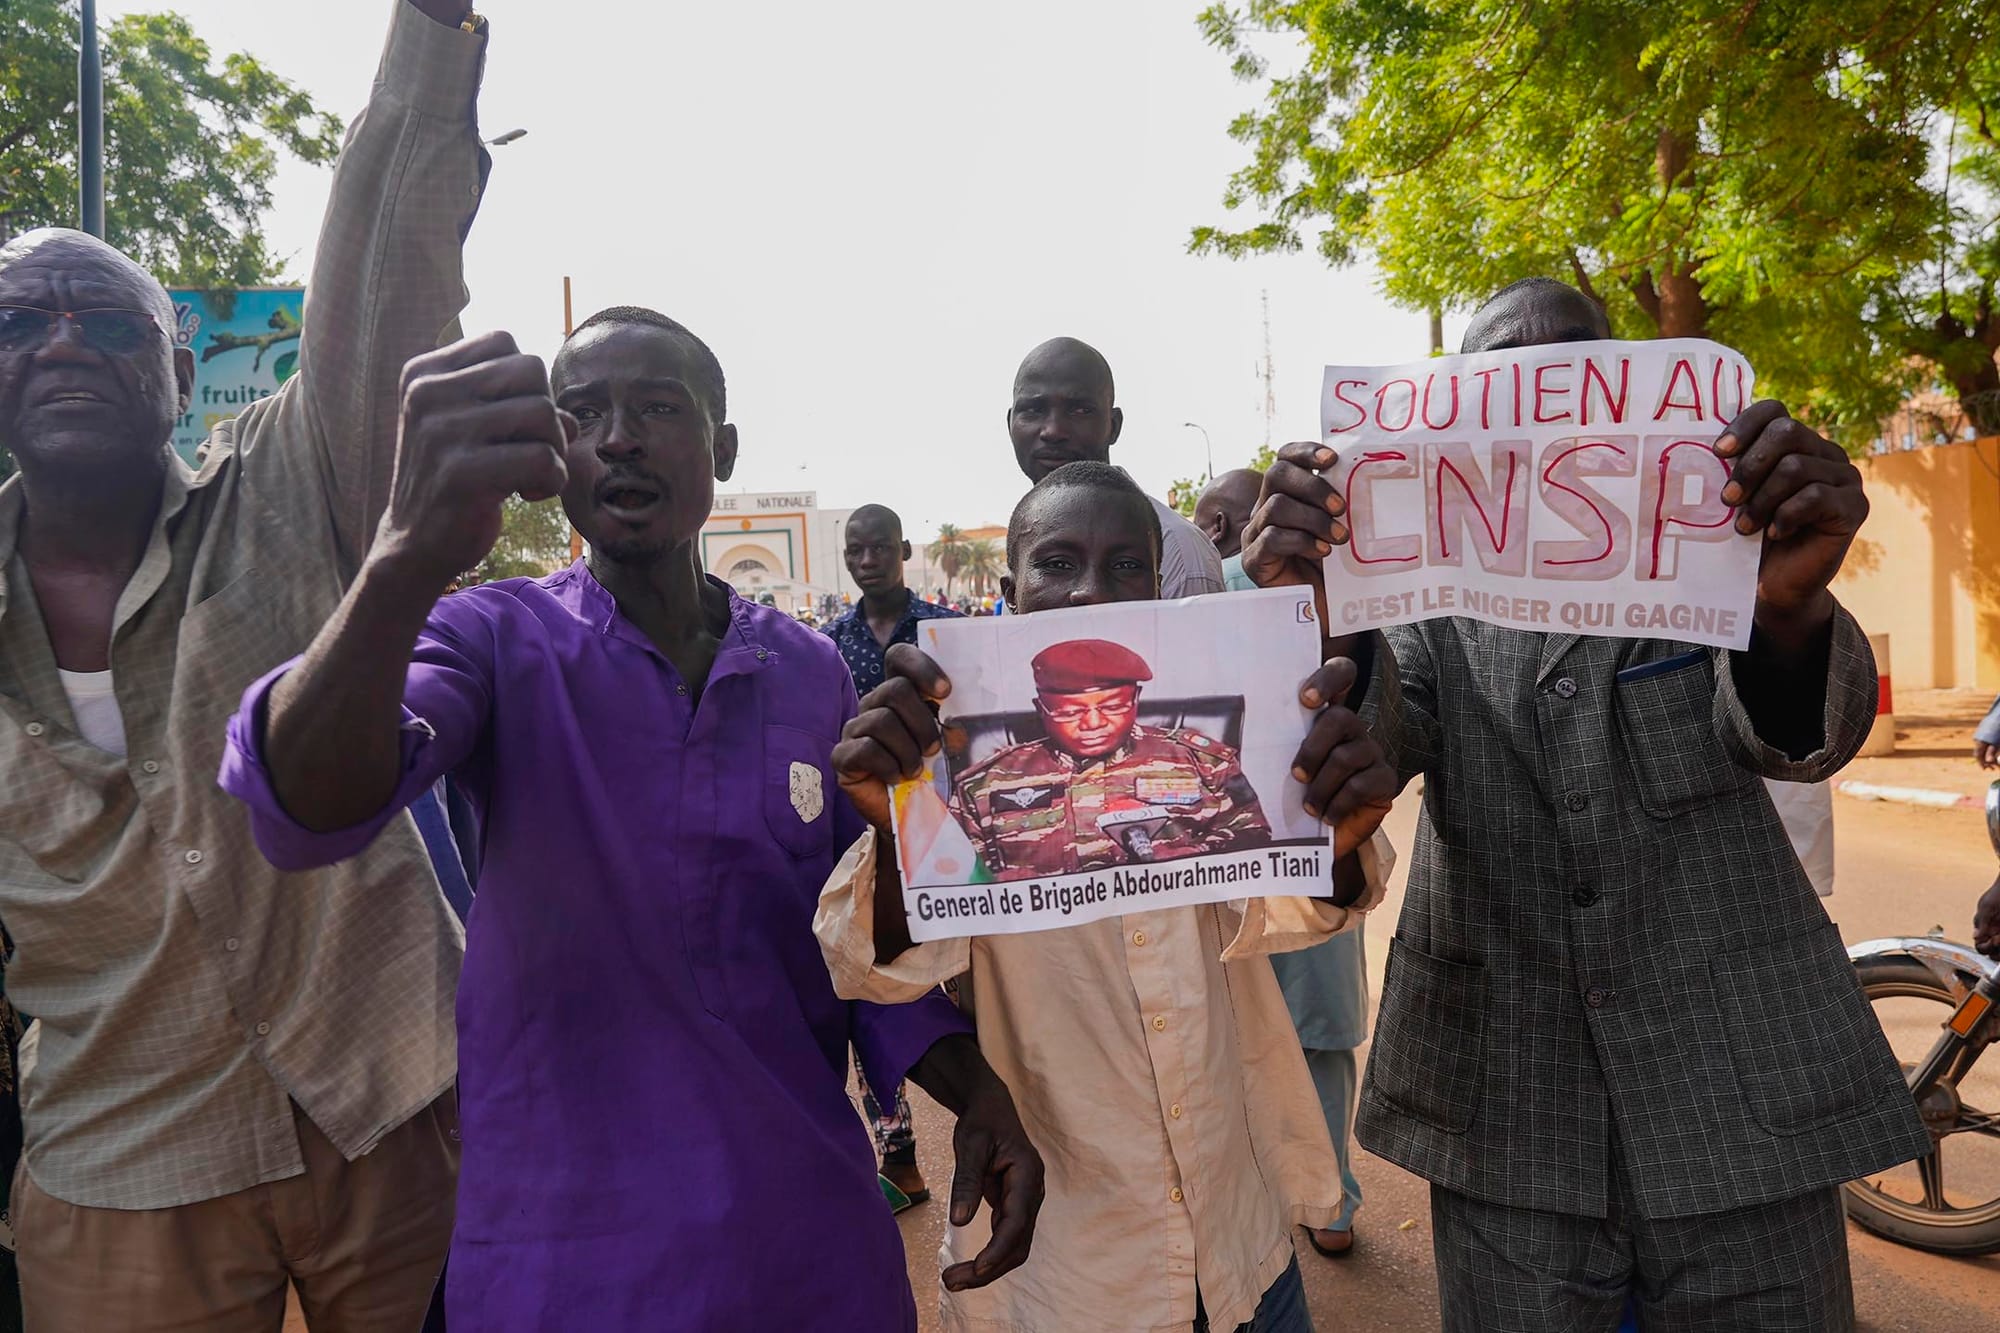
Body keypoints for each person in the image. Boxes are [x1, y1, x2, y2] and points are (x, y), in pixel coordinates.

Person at [220, 311, 1043, 1330]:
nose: (617, 438)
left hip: (803, 1238)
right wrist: (404, 556)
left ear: (722, 448)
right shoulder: (492, 638)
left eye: (657, 408)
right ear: (553, 455)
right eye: (583, 414)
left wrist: (975, 1090)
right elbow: (306, 805)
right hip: (565, 1252)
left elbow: (860, 953)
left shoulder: (806, 670)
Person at [1241, 276, 1930, 1330]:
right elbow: (1367, 757)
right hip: (1500, 1102)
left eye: (1572, 374)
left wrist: (1787, 609)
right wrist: (1320, 617)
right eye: (1503, 384)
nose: (1540, 407)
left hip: (1737, 1096)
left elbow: (1800, 742)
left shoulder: (1718, 544)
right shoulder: (1411, 583)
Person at [0, 5, 487, 1327]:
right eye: (21, 322)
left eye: (102, 323)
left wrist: (432, 34)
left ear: (174, 365)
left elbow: (383, 273)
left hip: (394, 1118)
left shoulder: (289, 483)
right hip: (120, 1162)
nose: (58, 345)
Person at [818, 460, 1400, 1333]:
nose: (1093, 591)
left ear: (1158, 591)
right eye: (1057, 564)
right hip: (1073, 1270)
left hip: (1239, 1244)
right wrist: (903, 832)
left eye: (1126, 566)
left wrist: (1336, 836)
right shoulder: (965, 780)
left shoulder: (1204, 764)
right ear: (1008, 593)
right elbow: (878, 970)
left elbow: (1298, 909)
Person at [1216, 510, 1372, 1263]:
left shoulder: (1340, 610)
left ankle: (1332, 1194)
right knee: (1249, 1037)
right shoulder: (1204, 607)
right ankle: (1277, 1190)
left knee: (1325, 1032)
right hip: (1232, 876)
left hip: (1309, 855)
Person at [824, 503, 962, 1207]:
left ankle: (992, 1124)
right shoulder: (829, 641)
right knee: (874, 986)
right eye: (857, 548)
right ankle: (898, 1148)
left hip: (951, 834)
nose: (869, 558)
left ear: (904, 549)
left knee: (962, 983)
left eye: (881, 546)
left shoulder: (948, 632)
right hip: (868, 834)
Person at [951, 639, 1272, 881]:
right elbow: (955, 875)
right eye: (1071, 711)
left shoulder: (1202, 760)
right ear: (1041, 709)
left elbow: (1252, 838)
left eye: (1113, 707)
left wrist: (1186, 858)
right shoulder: (985, 783)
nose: (1093, 723)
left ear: (1136, 700)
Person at [1007, 337, 1226, 598]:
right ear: (1010, 423)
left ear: (1114, 425)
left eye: (1079, 410)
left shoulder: (1177, 546)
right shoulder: (1027, 539)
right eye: (1033, 410)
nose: (1053, 430)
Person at [1196, 468, 1267, 565]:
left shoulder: (1212, 577)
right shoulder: (1290, 571)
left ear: (1218, 527)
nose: (1192, 540)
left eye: (1197, 529)